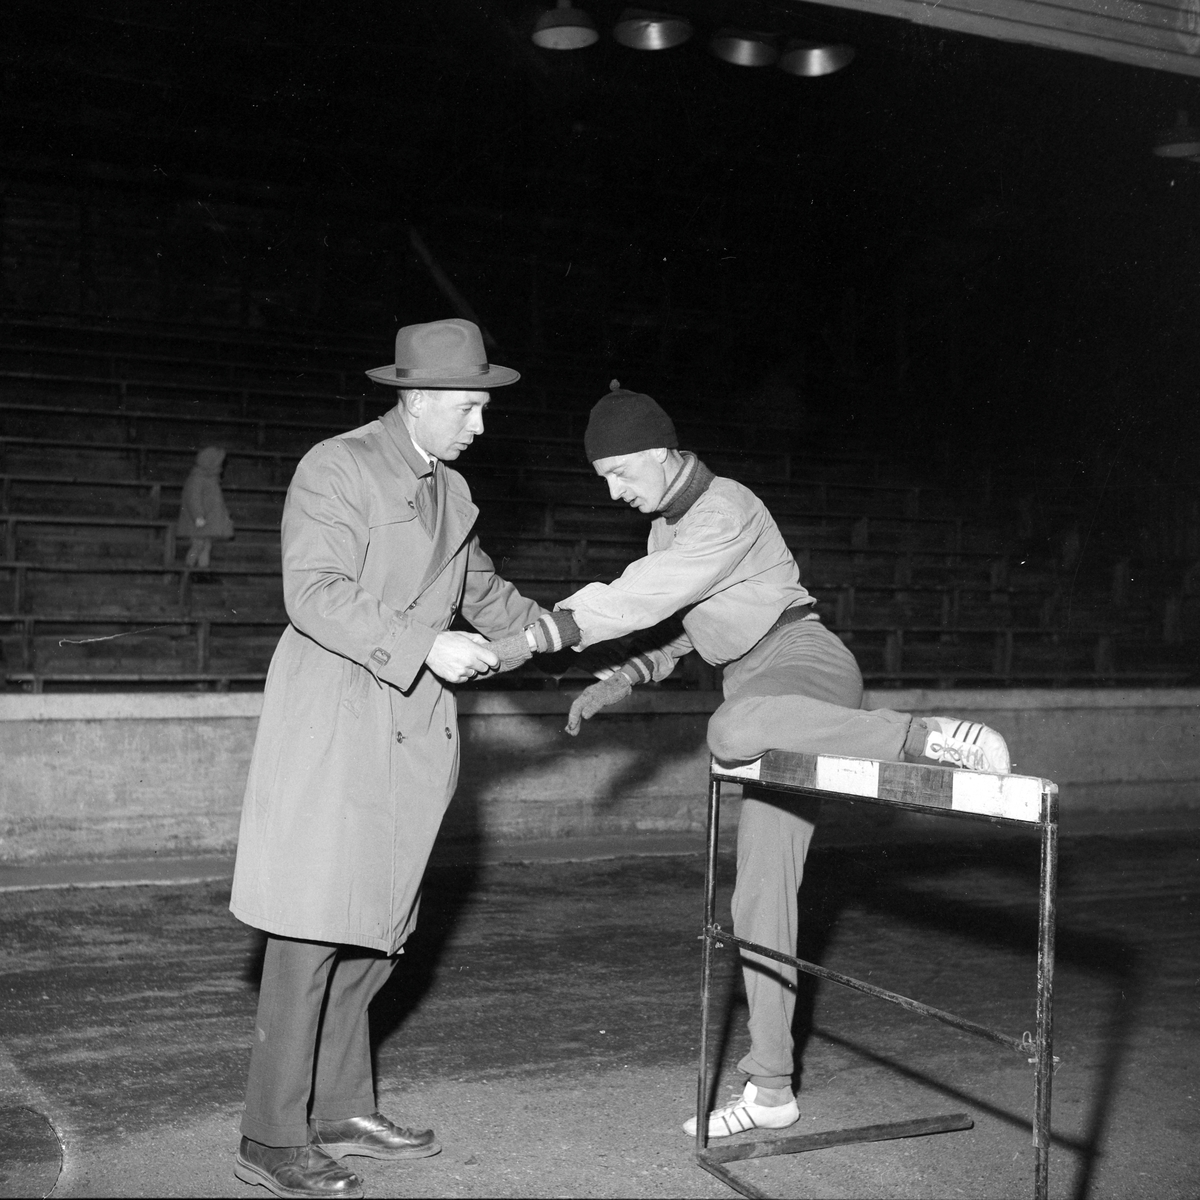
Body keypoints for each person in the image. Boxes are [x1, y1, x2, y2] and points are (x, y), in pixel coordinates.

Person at [499, 382, 1012, 1140]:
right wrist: (622, 678)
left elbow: (643, 597)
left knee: (731, 731)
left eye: (617, 474)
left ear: (659, 453)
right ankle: (772, 1086)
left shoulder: (725, 507)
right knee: (759, 894)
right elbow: (681, 624)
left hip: (803, 664)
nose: (612, 493)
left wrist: (535, 637)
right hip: (759, 691)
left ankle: (925, 740)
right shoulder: (666, 534)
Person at [229, 318, 570, 1200]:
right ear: (415, 399)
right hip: (337, 717)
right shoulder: (336, 466)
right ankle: (270, 1135)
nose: (479, 425)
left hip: (412, 732)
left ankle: (341, 1106)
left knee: (379, 927)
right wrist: (426, 644)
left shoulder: (453, 493)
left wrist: (577, 633)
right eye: (467, 407)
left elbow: (488, 596)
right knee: (310, 927)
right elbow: (313, 593)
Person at [177, 445, 235, 568]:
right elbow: (193, 498)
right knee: (198, 545)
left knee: (206, 545)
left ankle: (202, 569)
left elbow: (216, 501)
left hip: (207, 521)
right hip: (199, 521)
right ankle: (188, 567)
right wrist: (198, 515)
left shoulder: (211, 479)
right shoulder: (197, 479)